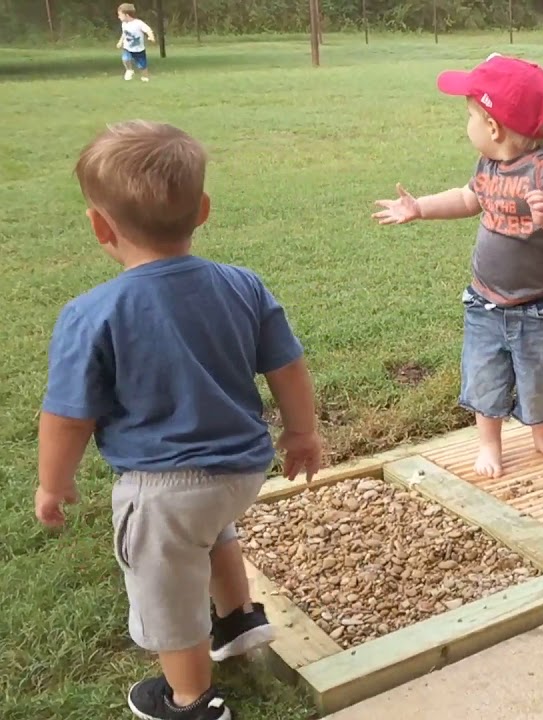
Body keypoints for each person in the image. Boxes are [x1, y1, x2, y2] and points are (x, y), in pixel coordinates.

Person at [35, 120, 323, 720]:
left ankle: (191, 699)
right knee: (214, 533)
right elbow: (288, 367)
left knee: (165, 587)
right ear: (204, 210)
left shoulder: (91, 314)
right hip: (241, 471)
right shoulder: (242, 285)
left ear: (99, 226)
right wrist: (301, 431)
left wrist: (53, 482)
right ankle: (238, 618)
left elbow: (67, 416)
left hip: (163, 490)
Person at [373, 53, 543, 479]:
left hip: (537, 308)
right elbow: (467, 198)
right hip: (484, 303)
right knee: (484, 376)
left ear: (493, 127)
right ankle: (489, 444)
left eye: (470, 115)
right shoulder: (488, 166)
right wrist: (420, 208)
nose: (467, 124)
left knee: (540, 377)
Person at [116, 4, 156, 82]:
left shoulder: (138, 23)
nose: (118, 17)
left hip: (139, 49)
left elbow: (148, 30)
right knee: (125, 59)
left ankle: (145, 77)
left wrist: (151, 37)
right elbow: (124, 34)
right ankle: (129, 70)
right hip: (127, 48)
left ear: (127, 15)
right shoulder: (124, 24)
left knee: (142, 65)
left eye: (120, 15)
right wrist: (120, 42)